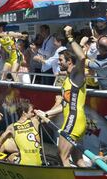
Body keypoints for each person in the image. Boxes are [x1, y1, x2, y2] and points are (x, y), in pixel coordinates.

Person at [35, 25, 87, 167]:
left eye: (61, 60)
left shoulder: (77, 76)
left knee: (62, 155)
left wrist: (70, 37)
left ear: (69, 62)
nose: (59, 62)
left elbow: (82, 57)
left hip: (74, 120)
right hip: (71, 120)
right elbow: (64, 105)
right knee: (78, 159)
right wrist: (46, 113)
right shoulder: (66, 80)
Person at [0, 98, 42, 166]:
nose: (33, 113)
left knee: (10, 157)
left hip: (23, 165)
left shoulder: (11, 127)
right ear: (24, 112)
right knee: (15, 154)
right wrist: (58, 102)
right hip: (38, 164)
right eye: (31, 112)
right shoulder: (35, 121)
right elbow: (51, 113)